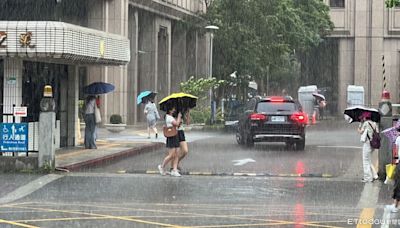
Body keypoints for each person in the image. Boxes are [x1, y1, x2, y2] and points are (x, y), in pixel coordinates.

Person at [158, 107, 182, 177]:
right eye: (173, 109)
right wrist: (179, 116)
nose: (174, 110)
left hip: (175, 135)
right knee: (171, 155)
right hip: (171, 137)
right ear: (169, 110)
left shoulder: (171, 117)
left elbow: (177, 125)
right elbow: (176, 124)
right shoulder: (168, 117)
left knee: (177, 153)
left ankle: (174, 170)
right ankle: (162, 166)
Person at [358, 111, 378, 182]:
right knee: (369, 160)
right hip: (373, 144)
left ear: (365, 117)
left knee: (366, 161)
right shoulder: (374, 124)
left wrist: (360, 125)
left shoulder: (366, 123)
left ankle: (368, 178)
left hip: (367, 144)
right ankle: (374, 175)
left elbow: (360, 132)